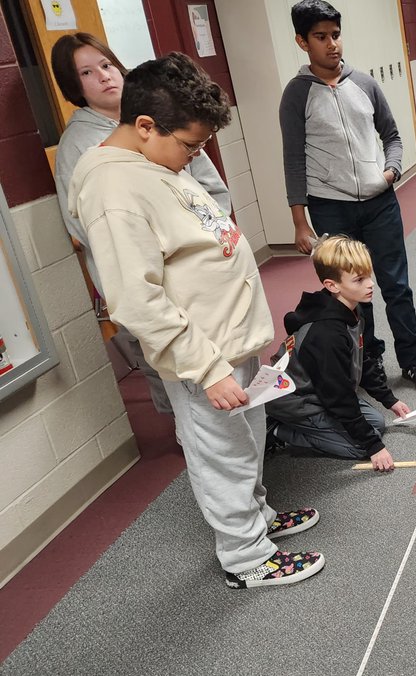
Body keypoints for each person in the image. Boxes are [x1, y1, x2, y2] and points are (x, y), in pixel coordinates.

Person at [69, 52, 323, 589]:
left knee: (246, 441)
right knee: (221, 454)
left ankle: (259, 519)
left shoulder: (151, 162)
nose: (193, 156)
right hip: (201, 355)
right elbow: (136, 302)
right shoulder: (113, 190)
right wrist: (207, 369)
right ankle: (247, 556)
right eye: (189, 145)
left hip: (227, 340)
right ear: (143, 126)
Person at [50, 32, 232, 416]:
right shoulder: (81, 148)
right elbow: (94, 230)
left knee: (215, 357)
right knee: (169, 364)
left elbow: (211, 190)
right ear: (73, 86)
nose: (104, 77)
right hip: (151, 274)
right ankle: (185, 432)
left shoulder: (165, 114)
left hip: (200, 265)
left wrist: (211, 240)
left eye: (106, 64)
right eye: (86, 72)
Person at [280, 0, 416, 391]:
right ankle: (369, 361)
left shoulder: (365, 83)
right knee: (353, 292)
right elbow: (293, 159)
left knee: (395, 284)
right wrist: (300, 221)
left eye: (335, 35)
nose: (332, 44)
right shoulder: (297, 95)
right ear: (302, 42)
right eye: (320, 37)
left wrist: (391, 171)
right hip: (329, 207)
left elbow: (393, 136)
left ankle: (413, 360)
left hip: (379, 203)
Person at [265, 235, 411, 472]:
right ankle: (279, 430)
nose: (370, 284)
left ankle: (317, 428)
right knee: (362, 447)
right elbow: (338, 396)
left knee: (377, 423)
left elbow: (362, 360)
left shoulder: (351, 309)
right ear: (332, 285)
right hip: (296, 401)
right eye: (359, 280)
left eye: (369, 275)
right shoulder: (326, 335)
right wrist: (373, 447)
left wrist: (389, 399)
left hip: (321, 392)